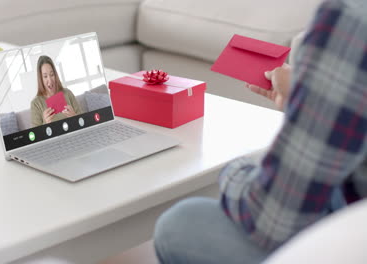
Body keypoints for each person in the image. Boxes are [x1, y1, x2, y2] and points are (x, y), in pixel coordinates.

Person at [154, 0, 367, 263]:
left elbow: (273, 221)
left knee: (181, 224)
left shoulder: (350, 19)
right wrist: (314, 99)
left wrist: (234, 169)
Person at [31, 55, 82, 127]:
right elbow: (35, 136)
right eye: (45, 76)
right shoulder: (36, 104)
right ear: (41, 79)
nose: (50, 80)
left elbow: (83, 121)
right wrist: (45, 124)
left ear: (55, 75)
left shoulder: (67, 93)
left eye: (52, 74)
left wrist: (74, 117)